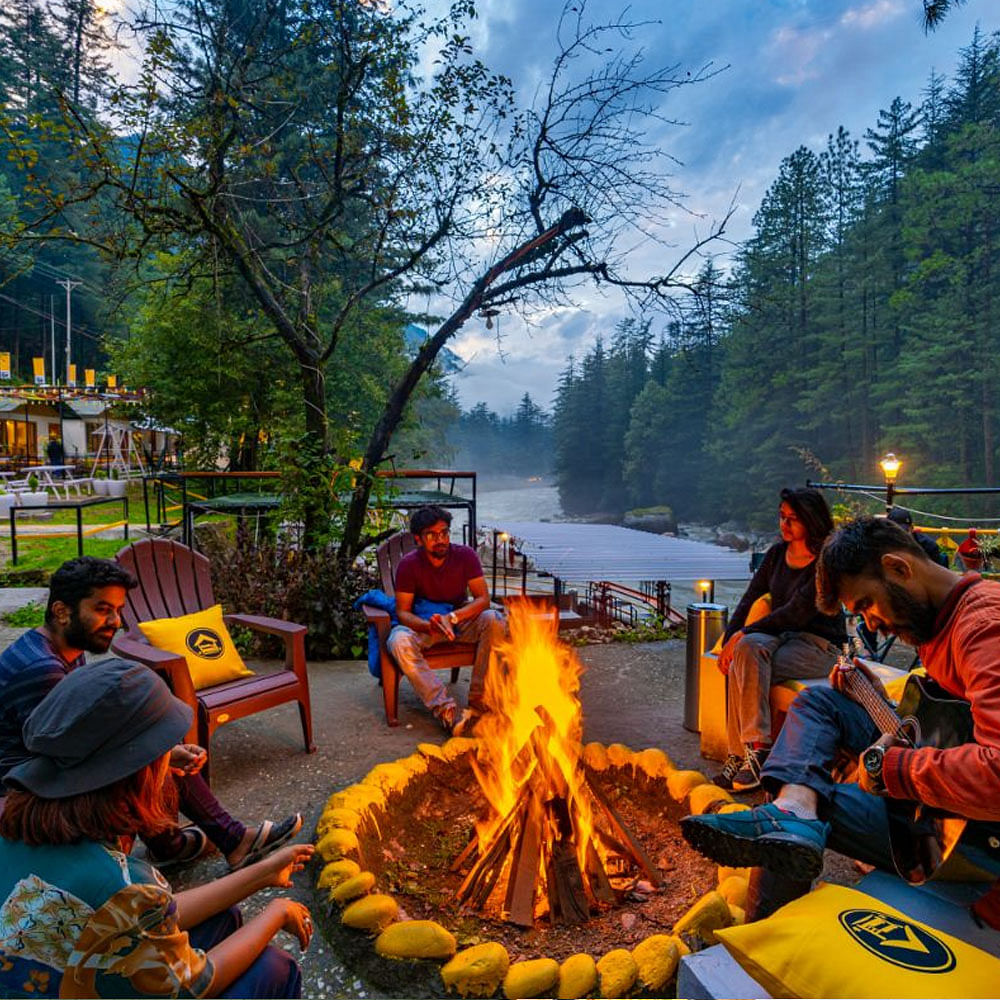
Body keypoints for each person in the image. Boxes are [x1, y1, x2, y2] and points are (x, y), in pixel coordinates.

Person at [681, 516, 1000, 928]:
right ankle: (793, 809)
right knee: (821, 702)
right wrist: (876, 699)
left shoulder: (983, 629)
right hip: (952, 800)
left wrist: (892, 768)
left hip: (979, 848)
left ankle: (760, 941)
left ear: (899, 568)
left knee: (803, 819)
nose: (869, 623)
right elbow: (952, 723)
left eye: (866, 604)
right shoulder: (941, 618)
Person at [0, 658, 313, 997]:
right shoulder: (122, 887)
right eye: (165, 748)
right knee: (274, 967)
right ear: (138, 772)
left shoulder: (16, 821)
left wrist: (263, 873)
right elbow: (197, 982)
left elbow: (150, 914)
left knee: (222, 918)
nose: (170, 754)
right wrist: (278, 912)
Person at [0, 556, 301, 870]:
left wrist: (166, 749)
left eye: (118, 610)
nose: (116, 621)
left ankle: (192, 841)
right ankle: (201, 841)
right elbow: (74, 753)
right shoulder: (41, 671)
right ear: (62, 612)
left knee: (152, 745)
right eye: (103, 610)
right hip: (23, 791)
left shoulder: (60, 649)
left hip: (46, 769)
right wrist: (164, 754)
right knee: (144, 754)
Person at [712, 487, 847, 792]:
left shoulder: (826, 562)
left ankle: (756, 750)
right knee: (741, 654)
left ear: (810, 521)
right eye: (781, 517)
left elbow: (795, 612)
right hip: (783, 637)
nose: (784, 525)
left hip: (819, 646)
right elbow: (750, 599)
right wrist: (730, 638)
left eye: (792, 519)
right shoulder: (775, 555)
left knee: (746, 656)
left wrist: (745, 635)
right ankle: (744, 754)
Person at [387, 506, 506, 733]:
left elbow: (483, 599)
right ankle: (444, 709)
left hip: (457, 621)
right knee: (398, 641)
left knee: (494, 619)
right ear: (418, 539)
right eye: (432, 535)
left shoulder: (465, 556)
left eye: (444, 533)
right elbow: (402, 612)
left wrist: (452, 617)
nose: (440, 539)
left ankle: (480, 702)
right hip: (425, 625)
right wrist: (429, 626)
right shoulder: (409, 565)